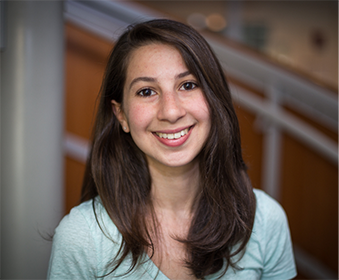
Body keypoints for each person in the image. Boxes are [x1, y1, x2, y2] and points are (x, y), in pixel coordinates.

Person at [48, 19, 297, 280]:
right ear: (121, 115)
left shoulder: (266, 220)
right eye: (146, 91)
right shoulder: (80, 236)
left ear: (214, 99)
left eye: (187, 85)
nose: (171, 111)